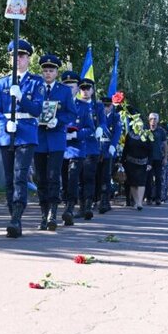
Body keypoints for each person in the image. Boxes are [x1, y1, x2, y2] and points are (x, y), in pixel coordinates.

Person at [0, 38, 44, 238]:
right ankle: (13, 215)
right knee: (9, 179)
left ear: (28, 59)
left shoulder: (36, 82)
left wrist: (21, 97)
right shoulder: (2, 82)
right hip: (7, 134)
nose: (17, 60)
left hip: (26, 133)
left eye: (21, 56)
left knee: (20, 176)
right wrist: (4, 125)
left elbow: (38, 109)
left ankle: (17, 219)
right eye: (14, 56)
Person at [33, 53, 76, 231]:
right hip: (40, 138)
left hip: (57, 139)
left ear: (57, 73)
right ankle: (43, 215)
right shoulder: (36, 88)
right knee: (40, 178)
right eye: (45, 70)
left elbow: (71, 113)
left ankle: (53, 213)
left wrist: (58, 121)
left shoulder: (64, 91)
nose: (48, 73)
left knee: (53, 177)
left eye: (51, 70)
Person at [60, 71, 95, 226]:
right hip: (59, 148)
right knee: (62, 179)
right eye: (66, 85)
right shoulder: (57, 104)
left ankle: (69, 208)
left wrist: (76, 135)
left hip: (76, 149)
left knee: (73, 178)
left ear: (76, 88)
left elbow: (90, 128)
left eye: (72, 86)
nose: (69, 88)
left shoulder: (83, 106)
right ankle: (59, 205)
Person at [77, 77, 105, 219]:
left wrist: (100, 128)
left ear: (93, 90)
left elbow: (103, 122)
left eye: (88, 88)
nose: (85, 91)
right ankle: (81, 207)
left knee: (89, 177)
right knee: (79, 178)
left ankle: (88, 206)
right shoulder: (76, 105)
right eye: (82, 88)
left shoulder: (98, 106)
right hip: (77, 146)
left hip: (92, 147)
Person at [120, 105, 153, 210]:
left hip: (143, 163)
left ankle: (139, 203)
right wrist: (121, 161)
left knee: (141, 182)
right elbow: (125, 149)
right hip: (130, 162)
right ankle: (136, 201)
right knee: (133, 183)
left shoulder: (147, 135)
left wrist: (149, 163)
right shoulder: (129, 135)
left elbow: (150, 151)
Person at [96, 95, 122, 213]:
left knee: (106, 177)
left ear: (112, 106)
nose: (106, 108)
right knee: (95, 175)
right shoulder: (97, 116)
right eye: (104, 106)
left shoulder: (116, 117)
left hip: (108, 149)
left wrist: (113, 145)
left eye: (108, 105)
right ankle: (94, 199)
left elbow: (117, 132)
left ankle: (105, 201)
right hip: (96, 149)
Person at [148, 113, 168, 204]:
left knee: (158, 179)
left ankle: (158, 198)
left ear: (157, 120)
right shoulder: (146, 130)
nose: (153, 120)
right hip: (148, 158)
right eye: (151, 118)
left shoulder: (161, 131)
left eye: (155, 119)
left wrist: (165, 158)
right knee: (148, 178)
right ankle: (148, 197)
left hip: (158, 158)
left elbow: (165, 145)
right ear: (149, 120)